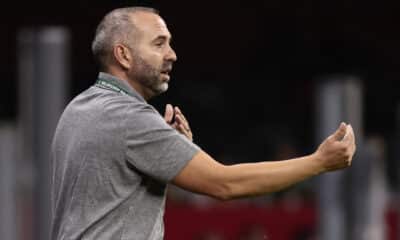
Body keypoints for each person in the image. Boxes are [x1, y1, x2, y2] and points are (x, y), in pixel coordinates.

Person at [50, 6, 356, 240]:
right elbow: (224, 184)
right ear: (124, 55)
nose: (172, 54)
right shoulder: (130, 118)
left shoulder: (78, 109)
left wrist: (164, 156)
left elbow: (110, 198)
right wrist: (319, 162)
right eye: (159, 44)